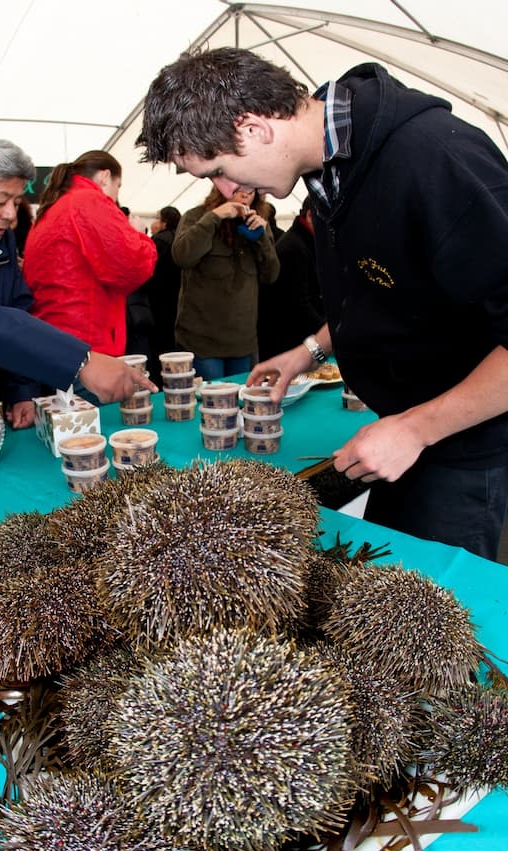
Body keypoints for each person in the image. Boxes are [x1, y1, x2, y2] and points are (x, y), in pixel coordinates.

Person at [137, 47, 508, 561]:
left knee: (438, 618)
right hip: (398, 433)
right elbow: (385, 291)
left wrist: (419, 428)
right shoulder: (329, 174)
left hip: (460, 445)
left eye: (218, 170)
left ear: (255, 127)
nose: (226, 189)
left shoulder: (436, 161)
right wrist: (309, 350)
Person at [0, 139, 156, 426]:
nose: (11, 215)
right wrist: (80, 361)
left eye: (16, 202)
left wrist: (20, 390)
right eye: (1, 201)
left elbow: (16, 308)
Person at [23, 151, 157, 368]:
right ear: (105, 177)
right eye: (118, 186)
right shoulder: (90, 202)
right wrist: (138, 234)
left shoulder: (55, 207)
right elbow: (132, 267)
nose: (116, 195)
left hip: (55, 339)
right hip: (88, 345)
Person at [171, 186, 279, 381]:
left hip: (243, 344)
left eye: (251, 190)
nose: (245, 194)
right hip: (203, 344)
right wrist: (214, 217)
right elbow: (182, 256)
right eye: (238, 188)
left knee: (244, 405)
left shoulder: (257, 223)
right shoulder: (196, 216)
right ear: (222, 187)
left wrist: (262, 237)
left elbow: (271, 275)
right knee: (210, 406)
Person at [258, 194, 325, 360]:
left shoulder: (308, 242)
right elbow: (299, 304)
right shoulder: (294, 247)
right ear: (310, 216)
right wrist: (328, 331)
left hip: (299, 339)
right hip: (286, 343)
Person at [143, 205, 182, 384]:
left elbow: (147, 271)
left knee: (161, 346)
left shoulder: (159, 241)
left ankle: (161, 380)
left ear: (164, 222)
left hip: (159, 301)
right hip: (179, 300)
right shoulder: (182, 239)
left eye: (158, 219)